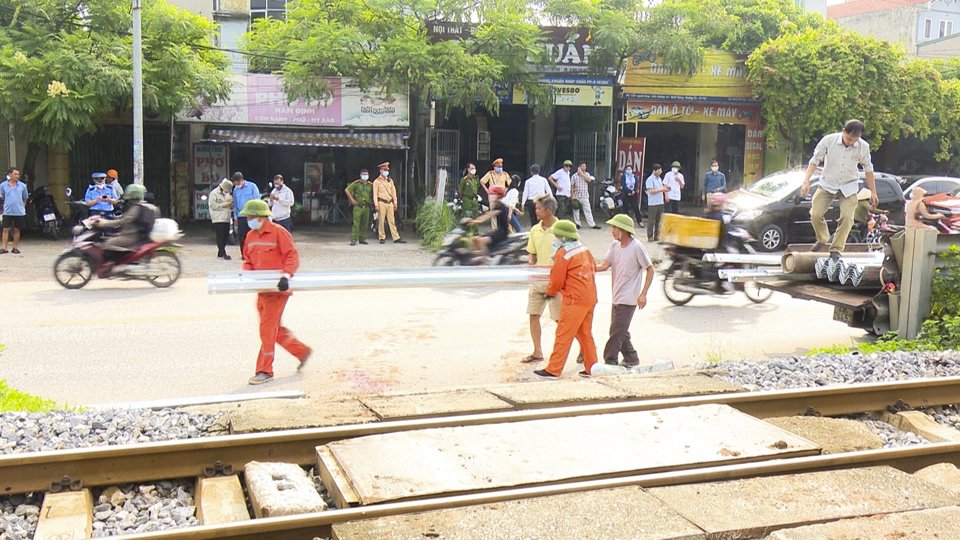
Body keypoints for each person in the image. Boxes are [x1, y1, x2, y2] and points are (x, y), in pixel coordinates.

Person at [239, 198, 312, 385]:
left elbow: (292, 255)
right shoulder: (251, 236)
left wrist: (286, 276)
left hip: (278, 291)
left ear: (261, 216)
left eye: (250, 216)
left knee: (267, 329)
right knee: (274, 329)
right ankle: (301, 351)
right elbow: (248, 259)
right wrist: (245, 274)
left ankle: (264, 370)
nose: (248, 219)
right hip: (262, 290)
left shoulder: (279, 232)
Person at [802, 119, 877, 259]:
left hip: (849, 185)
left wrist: (873, 191)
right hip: (828, 183)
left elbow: (868, 169)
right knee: (815, 214)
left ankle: (836, 249)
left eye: (855, 140)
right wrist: (806, 180)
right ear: (844, 131)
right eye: (849, 138)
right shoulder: (828, 141)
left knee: (848, 218)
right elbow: (814, 160)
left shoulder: (863, 147)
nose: (851, 142)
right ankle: (823, 238)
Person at [534, 219, 599, 379]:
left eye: (556, 236)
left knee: (563, 334)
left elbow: (556, 279)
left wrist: (550, 292)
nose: (555, 239)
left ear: (562, 237)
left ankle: (554, 370)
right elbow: (593, 269)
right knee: (585, 334)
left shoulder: (564, 253)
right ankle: (592, 368)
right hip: (590, 297)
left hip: (574, 300)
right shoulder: (584, 249)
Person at [595, 214, 654, 368]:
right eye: (612, 228)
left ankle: (610, 361)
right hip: (616, 295)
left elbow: (650, 269)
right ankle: (631, 358)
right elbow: (604, 265)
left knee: (615, 332)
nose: (612, 231)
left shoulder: (636, 247)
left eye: (616, 228)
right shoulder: (614, 246)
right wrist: (586, 268)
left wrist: (643, 294)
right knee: (621, 330)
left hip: (629, 298)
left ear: (625, 230)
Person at [522, 196, 562, 364]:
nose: (536, 211)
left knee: (560, 319)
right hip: (539, 281)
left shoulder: (562, 229)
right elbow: (532, 252)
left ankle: (581, 347)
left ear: (549, 210)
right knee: (533, 314)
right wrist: (530, 260)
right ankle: (537, 351)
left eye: (539, 208)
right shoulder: (534, 230)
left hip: (557, 282)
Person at [90, 184, 158, 263]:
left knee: (107, 244)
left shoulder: (136, 207)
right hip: (138, 235)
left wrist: (103, 223)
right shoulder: (146, 206)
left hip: (131, 236)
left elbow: (123, 221)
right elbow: (124, 218)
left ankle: (125, 261)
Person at [469, 185, 510, 256]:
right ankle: (480, 256)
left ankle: (485, 259)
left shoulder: (500, 206)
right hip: (497, 231)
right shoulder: (496, 205)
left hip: (502, 233)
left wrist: (472, 221)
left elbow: (487, 217)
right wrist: (473, 221)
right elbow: (486, 215)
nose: (490, 195)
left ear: (497, 196)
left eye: (492, 194)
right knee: (475, 239)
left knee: (480, 241)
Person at [373, 162, 406, 244]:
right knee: (381, 221)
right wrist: (376, 204)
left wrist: (395, 203)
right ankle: (382, 237)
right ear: (380, 171)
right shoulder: (376, 181)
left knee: (392, 221)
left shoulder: (390, 181)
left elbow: (393, 193)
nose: (386, 171)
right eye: (384, 170)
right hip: (381, 202)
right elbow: (375, 194)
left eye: (387, 170)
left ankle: (396, 237)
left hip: (390, 203)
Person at [231, 172, 260, 254]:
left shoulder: (252, 186)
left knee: (253, 235)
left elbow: (257, 201)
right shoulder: (235, 190)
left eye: (237, 183)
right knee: (241, 236)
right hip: (241, 216)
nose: (236, 185)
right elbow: (235, 205)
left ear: (241, 180)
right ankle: (244, 254)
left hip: (252, 216)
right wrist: (235, 217)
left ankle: (253, 253)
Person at [0, 167, 28, 255]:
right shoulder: (3, 185)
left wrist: (22, 206)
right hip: (7, 211)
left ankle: (15, 247)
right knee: (5, 229)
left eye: (18, 174)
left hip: (19, 212)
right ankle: (4, 247)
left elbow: (25, 197)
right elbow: (3, 196)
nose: (17, 176)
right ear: (10, 175)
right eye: (15, 174)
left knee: (17, 229)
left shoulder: (22, 186)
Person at [345, 168, 373, 246]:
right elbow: (347, 190)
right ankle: (353, 239)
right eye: (363, 174)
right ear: (360, 175)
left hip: (367, 206)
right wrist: (352, 200)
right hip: (358, 206)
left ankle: (362, 239)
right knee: (356, 223)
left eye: (366, 174)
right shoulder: (356, 183)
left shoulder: (370, 184)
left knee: (365, 223)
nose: (365, 176)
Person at [209, 178, 234, 260]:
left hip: (226, 217)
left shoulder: (228, 193)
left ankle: (220, 252)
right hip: (218, 217)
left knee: (226, 235)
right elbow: (213, 206)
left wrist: (230, 202)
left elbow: (231, 204)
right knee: (220, 235)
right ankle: (223, 253)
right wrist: (225, 204)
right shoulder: (214, 193)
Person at [570, 161, 600, 230]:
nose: (584, 168)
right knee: (576, 211)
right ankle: (578, 224)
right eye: (583, 166)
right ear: (579, 167)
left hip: (585, 196)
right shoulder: (574, 176)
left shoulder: (587, 174)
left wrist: (582, 174)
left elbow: (589, 180)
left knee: (588, 210)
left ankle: (592, 224)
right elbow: (572, 186)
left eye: (585, 166)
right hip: (577, 196)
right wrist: (572, 195)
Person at [645, 164, 669, 241]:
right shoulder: (650, 179)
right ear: (654, 170)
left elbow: (661, 188)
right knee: (651, 220)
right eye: (659, 171)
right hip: (653, 203)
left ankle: (657, 235)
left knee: (659, 220)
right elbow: (651, 191)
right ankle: (650, 236)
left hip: (660, 202)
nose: (660, 172)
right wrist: (662, 190)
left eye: (660, 171)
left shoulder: (659, 179)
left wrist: (666, 189)